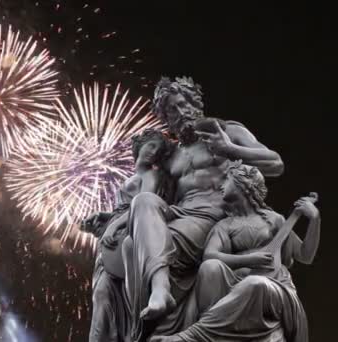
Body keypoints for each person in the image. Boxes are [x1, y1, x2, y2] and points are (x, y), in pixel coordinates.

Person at [125, 76, 284, 341]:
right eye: (171, 111)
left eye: (183, 104)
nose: (180, 113)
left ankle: (159, 300)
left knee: (139, 247)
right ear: (166, 120)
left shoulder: (226, 131)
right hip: (179, 216)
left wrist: (230, 149)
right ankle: (160, 291)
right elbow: (147, 192)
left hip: (211, 217)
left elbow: (275, 163)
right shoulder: (171, 156)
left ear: (195, 104)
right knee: (138, 215)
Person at [150, 161, 320, 342]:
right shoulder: (225, 225)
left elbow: (305, 255)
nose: (221, 186)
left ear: (243, 185)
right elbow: (210, 255)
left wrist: (315, 219)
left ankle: (192, 336)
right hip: (237, 283)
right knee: (210, 267)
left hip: (272, 289)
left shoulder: (274, 220)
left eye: (227, 180)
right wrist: (249, 260)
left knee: (255, 284)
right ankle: (214, 332)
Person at [81, 129, 173, 342]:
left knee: (114, 296)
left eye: (158, 149)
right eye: (151, 145)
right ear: (139, 146)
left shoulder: (151, 174)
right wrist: (103, 217)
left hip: (130, 234)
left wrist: (113, 227)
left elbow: (142, 202)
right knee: (101, 296)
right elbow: (121, 209)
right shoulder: (133, 178)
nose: (154, 152)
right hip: (111, 243)